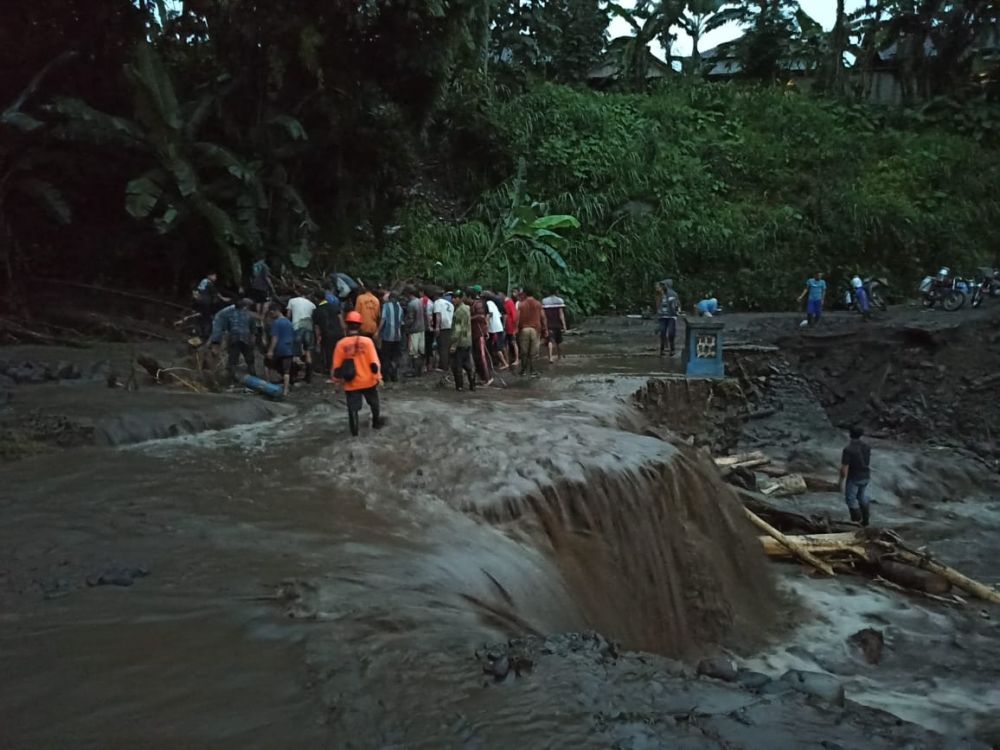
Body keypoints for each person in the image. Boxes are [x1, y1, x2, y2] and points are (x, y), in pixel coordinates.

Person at [332, 311, 385, 437]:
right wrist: (379, 378)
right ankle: (376, 424)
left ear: (347, 325)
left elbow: (336, 367)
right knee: (374, 404)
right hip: (368, 381)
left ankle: (354, 435)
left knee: (353, 410)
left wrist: (336, 383)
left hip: (351, 383)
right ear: (360, 325)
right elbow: (374, 362)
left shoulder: (341, 344)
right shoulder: (367, 342)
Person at [840, 426, 872, 526]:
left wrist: (840, 481)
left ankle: (856, 522)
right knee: (862, 497)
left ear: (850, 434)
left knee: (850, 499)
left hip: (854, 477)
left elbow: (844, 468)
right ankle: (866, 520)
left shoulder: (848, 449)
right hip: (866, 475)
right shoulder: (867, 446)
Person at [287, 288, 317, 382]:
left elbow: (288, 315)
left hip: (297, 327)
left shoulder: (292, 301)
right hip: (309, 328)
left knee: (295, 353)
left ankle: (293, 376)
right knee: (308, 352)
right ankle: (308, 377)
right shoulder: (312, 305)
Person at [313, 291, 344, 377]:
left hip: (327, 334)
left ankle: (332, 373)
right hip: (338, 332)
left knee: (329, 354)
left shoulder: (317, 310)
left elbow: (317, 327)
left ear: (316, 299)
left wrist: (318, 338)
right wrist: (344, 331)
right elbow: (341, 320)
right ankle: (340, 371)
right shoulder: (334, 307)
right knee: (339, 352)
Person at [266, 306, 296, 397]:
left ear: (276, 311)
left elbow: (275, 338)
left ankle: (267, 386)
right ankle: (286, 390)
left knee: (267, 364)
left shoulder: (276, 323)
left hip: (280, 349)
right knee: (286, 370)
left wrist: (270, 350)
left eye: (271, 313)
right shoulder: (289, 322)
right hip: (289, 348)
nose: (271, 316)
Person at [517, 288, 547, 377]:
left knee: (524, 352)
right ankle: (533, 370)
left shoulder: (521, 305)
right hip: (535, 329)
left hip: (524, 329)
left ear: (525, 294)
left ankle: (523, 371)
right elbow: (543, 317)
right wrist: (545, 329)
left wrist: (516, 329)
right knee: (533, 352)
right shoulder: (538, 304)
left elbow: (517, 318)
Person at [449, 290, 475, 391]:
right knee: (467, 364)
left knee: (457, 365)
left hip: (460, 342)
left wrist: (454, 344)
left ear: (460, 299)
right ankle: (472, 384)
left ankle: (459, 386)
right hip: (467, 339)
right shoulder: (466, 308)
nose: (453, 300)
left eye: (455, 298)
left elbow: (458, 329)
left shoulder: (459, 312)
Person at [469, 286, 493, 386]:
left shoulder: (478, 304)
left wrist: (469, 318)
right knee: (478, 356)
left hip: (479, 333)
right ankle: (483, 377)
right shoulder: (478, 303)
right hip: (477, 332)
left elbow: (482, 316)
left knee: (482, 355)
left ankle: (487, 378)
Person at [378, 292, 404, 382]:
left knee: (386, 356)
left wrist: (378, 331)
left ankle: (386, 376)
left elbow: (383, 320)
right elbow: (401, 322)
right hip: (397, 336)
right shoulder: (400, 308)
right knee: (395, 357)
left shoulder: (386, 306)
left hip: (387, 336)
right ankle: (394, 375)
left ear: (389, 298)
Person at [193, 271, 227, 340]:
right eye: (214, 276)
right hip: (205, 303)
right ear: (210, 276)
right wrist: (223, 298)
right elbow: (216, 293)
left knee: (200, 317)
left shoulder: (203, 281)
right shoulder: (209, 283)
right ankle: (204, 334)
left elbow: (196, 291)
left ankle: (197, 331)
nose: (215, 278)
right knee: (206, 318)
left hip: (199, 302)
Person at [403, 286, 426, 376]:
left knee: (413, 352)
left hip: (414, 330)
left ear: (409, 294)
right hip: (421, 328)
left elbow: (410, 319)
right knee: (420, 351)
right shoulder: (420, 302)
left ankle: (414, 371)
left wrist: (406, 327)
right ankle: (419, 371)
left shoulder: (411, 304)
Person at [541, 289, 568, 363]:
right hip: (557, 324)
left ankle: (550, 358)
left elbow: (543, 314)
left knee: (550, 341)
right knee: (559, 341)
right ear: (556, 292)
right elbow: (561, 314)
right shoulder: (559, 301)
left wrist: (543, 325)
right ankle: (560, 356)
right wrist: (564, 325)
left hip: (549, 324)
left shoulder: (544, 301)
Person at [655, 280, 680, 356]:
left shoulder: (672, 294)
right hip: (662, 316)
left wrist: (676, 312)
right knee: (662, 332)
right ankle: (662, 350)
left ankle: (672, 349)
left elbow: (676, 305)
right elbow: (658, 306)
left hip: (671, 316)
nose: (657, 288)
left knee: (671, 333)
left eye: (659, 286)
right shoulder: (658, 295)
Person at [432, 290, 454, 373]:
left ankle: (443, 366)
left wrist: (437, 327)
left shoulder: (437, 302)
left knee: (443, 347)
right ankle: (448, 364)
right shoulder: (450, 303)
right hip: (450, 326)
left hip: (443, 326)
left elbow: (438, 315)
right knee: (448, 346)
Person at [485, 291, 508, 370]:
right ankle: (504, 361)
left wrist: (486, 327)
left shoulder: (488, 304)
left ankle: (504, 363)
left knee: (496, 348)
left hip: (494, 329)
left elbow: (489, 315)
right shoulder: (493, 304)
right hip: (498, 328)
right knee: (499, 346)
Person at [502, 290, 519, 368]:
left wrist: (515, 327)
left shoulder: (509, 303)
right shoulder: (505, 303)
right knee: (506, 343)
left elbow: (514, 316)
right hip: (506, 327)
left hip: (511, 326)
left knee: (513, 342)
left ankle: (517, 359)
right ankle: (507, 359)